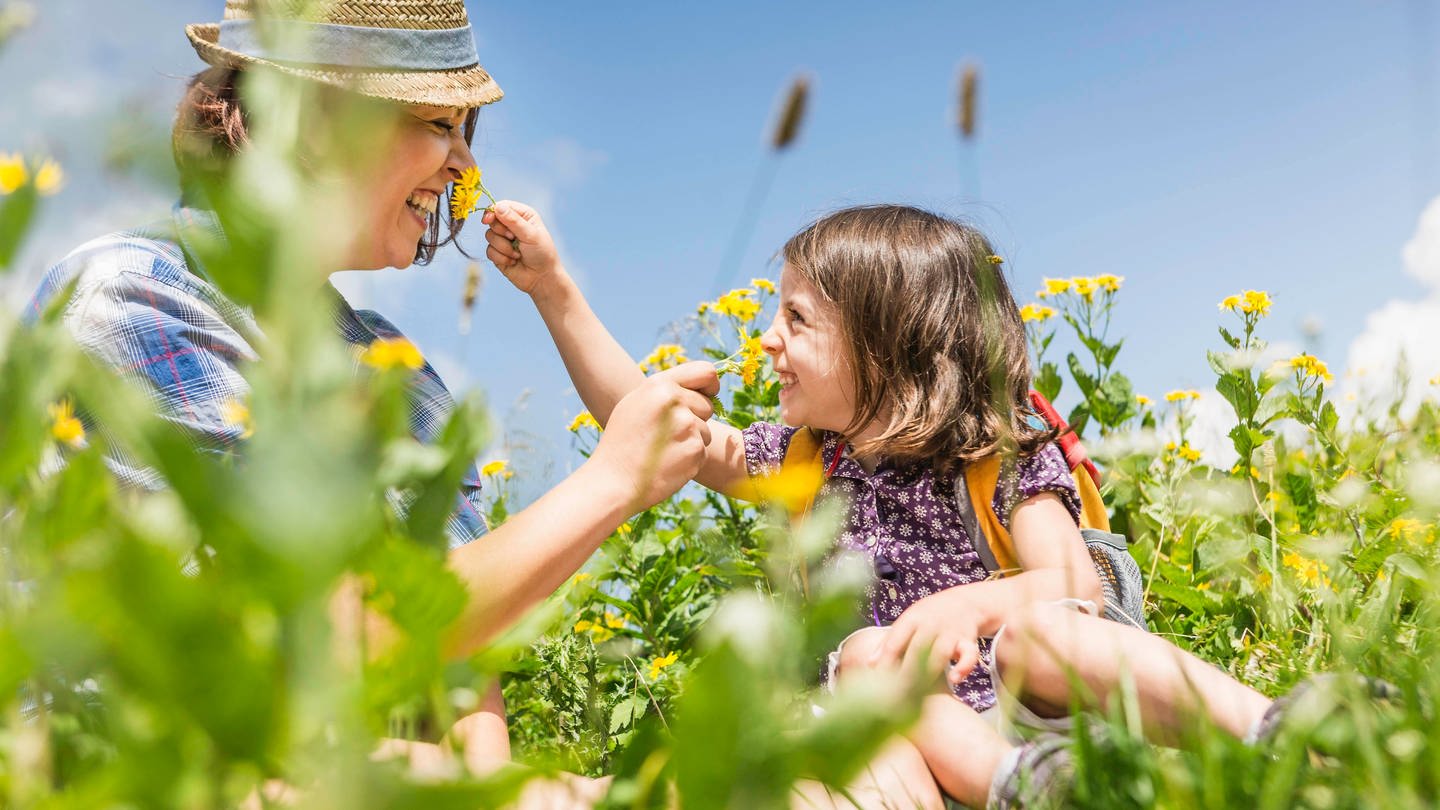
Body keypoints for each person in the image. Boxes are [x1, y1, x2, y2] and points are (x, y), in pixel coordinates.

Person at [29, 2, 716, 804]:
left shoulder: (387, 361)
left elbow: (462, 645)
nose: (465, 165)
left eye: (467, 132)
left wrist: (484, 785)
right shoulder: (134, 303)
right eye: (437, 124)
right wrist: (610, 482)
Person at [481, 201, 1318, 808]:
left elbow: (1076, 586)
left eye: (797, 318)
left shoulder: (1001, 451)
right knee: (871, 660)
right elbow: (647, 423)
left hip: (1046, 702)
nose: (767, 338)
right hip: (931, 746)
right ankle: (1022, 795)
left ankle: (1282, 734)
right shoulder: (806, 464)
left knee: (1043, 630)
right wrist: (554, 290)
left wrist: (969, 602)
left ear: (889, 343)